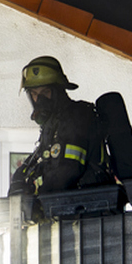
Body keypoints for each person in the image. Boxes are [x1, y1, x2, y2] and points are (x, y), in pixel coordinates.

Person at [11, 55, 110, 198]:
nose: (40, 100)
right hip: (69, 209)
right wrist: (18, 182)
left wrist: (39, 204)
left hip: (87, 210)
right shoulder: (52, 126)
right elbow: (42, 161)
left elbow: (66, 172)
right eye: (34, 94)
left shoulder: (76, 116)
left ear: (59, 91)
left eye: (45, 92)